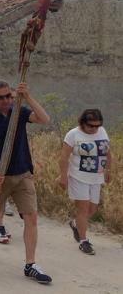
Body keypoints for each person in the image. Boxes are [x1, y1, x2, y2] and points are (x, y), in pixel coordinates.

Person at [0, 81, 52, 285]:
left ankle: (30, 264)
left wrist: (28, 97)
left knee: (31, 217)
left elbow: (44, 119)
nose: (6, 100)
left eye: (8, 96)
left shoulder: (20, 112)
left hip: (23, 173)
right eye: (1, 97)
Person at [59, 109, 111, 255]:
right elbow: (63, 157)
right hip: (78, 176)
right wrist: (63, 176)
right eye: (91, 126)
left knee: (92, 210)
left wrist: (109, 170)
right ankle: (83, 241)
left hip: (96, 177)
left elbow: (107, 152)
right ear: (82, 123)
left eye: (97, 125)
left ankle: (76, 224)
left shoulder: (102, 131)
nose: (94, 128)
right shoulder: (73, 134)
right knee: (82, 209)